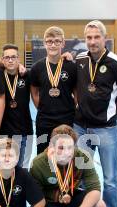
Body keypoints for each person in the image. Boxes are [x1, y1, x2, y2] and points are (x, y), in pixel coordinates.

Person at [74, 20, 117, 207]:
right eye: (88, 38)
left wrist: (111, 114)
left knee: (109, 178)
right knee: (81, 175)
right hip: (81, 128)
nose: (92, 41)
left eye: (96, 37)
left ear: (104, 37)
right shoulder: (79, 59)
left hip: (106, 130)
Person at [30, 125, 107, 207]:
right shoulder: (39, 164)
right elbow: (36, 201)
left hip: (70, 194)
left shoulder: (82, 157)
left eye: (70, 148)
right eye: (60, 148)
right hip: (47, 201)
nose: (65, 152)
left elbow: (95, 190)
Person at [30, 26, 77, 154]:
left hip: (67, 119)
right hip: (43, 121)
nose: (53, 45)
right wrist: (42, 107)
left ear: (63, 43)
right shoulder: (36, 68)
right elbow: (34, 91)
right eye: (49, 41)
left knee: (66, 155)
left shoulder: (72, 67)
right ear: (44, 43)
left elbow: (76, 92)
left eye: (57, 41)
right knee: (42, 154)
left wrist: (74, 110)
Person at [0, 43, 33, 168]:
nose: (10, 60)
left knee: (23, 169)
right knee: (5, 168)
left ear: (19, 59)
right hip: (4, 132)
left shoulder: (27, 75)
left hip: (25, 130)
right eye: (7, 57)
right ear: (2, 60)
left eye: (14, 57)